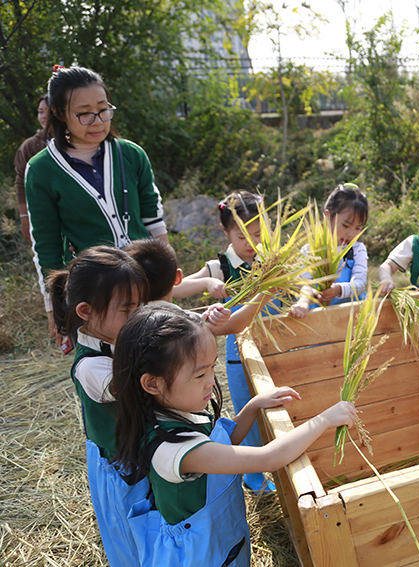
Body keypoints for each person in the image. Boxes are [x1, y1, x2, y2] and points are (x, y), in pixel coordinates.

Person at [111, 306, 356, 567]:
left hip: (219, 537)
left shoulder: (176, 412)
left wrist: (252, 407)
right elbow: (268, 458)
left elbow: (226, 442)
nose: (210, 381)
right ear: (153, 384)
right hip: (199, 555)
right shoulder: (173, 449)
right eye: (199, 374)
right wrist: (324, 420)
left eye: (211, 369)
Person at [25, 65, 166, 346]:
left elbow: (154, 220)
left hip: (146, 277)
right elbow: (46, 245)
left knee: (159, 356)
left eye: (103, 109)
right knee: (108, 367)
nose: (98, 121)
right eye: (84, 113)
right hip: (96, 291)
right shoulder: (41, 170)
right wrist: (54, 308)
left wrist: (165, 273)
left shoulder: (131, 154)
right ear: (59, 112)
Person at [47, 245, 149, 566]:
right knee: (133, 540)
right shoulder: (91, 367)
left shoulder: (119, 336)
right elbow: (145, 385)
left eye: (140, 306)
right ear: (85, 311)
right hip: (121, 467)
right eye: (127, 310)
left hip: (138, 454)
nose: (138, 316)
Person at [175, 190, 277, 492]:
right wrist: (208, 282)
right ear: (225, 232)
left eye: (258, 234)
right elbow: (176, 288)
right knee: (249, 407)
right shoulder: (221, 266)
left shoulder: (272, 259)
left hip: (275, 346)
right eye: (242, 236)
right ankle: (254, 476)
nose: (251, 243)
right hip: (239, 352)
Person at [125, 238, 276, 336]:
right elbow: (234, 325)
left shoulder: (126, 322)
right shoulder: (182, 323)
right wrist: (269, 290)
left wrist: (206, 282)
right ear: (178, 277)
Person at [290, 183, 369, 317]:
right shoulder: (310, 250)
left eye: (358, 228)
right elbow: (304, 284)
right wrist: (304, 301)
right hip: (316, 318)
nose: (351, 234)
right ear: (328, 216)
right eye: (345, 225)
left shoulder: (357, 250)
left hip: (351, 316)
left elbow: (360, 284)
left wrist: (338, 290)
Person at [14, 94, 50, 242]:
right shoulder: (29, 146)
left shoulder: (76, 142)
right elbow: (21, 183)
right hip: (42, 215)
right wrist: (24, 217)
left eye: (49, 112)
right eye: (41, 112)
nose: (44, 117)